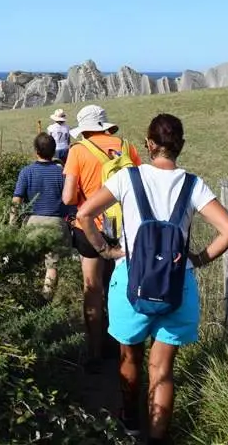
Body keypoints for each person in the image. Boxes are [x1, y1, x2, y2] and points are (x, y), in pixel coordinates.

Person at [76, 114, 228, 443]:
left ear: (149, 144)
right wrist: (199, 259)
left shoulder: (127, 178)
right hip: (177, 285)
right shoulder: (193, 185)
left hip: (129, 282)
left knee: (129, 356)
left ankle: (131, 420)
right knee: (162, 370)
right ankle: (158, 438)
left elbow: (84, 214)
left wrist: (105, 250)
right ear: (181, 146)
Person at [62, 104, 142, 373]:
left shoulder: (78, 151)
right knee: (119, 289)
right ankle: (124, 349)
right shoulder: (127, 146)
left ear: (84, 128)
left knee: (93, 289)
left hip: (91, 228)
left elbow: (68, 197)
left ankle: (95, 350)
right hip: (124, 229)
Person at [9, 133, 72, 300]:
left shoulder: (26, 172)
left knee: (27, 262)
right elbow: (70, 201)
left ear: (36, 150)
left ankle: (24, 297)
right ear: (54, 151)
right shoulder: (62, 174)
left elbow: (17, 200)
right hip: (56, 224)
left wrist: (11, 225)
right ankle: (45, 300)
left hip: (32, 223)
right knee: (52, 266)